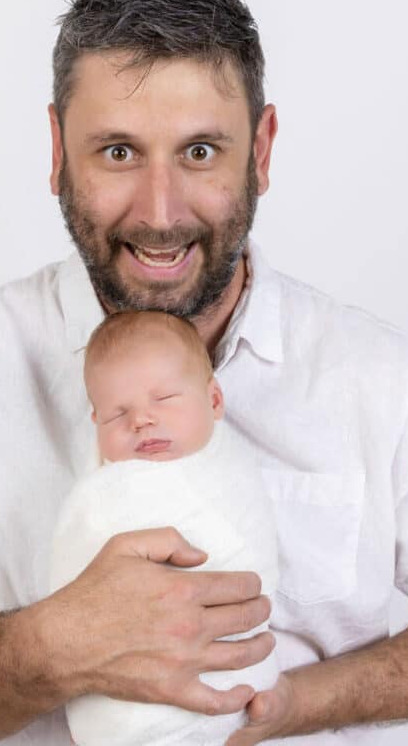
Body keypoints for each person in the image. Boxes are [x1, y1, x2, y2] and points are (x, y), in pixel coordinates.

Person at [0, 0, 408, 746]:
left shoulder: (379, 378)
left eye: (199, 152)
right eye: (117, 151)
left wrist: (295, 704)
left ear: (260, 150)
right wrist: (51, 648)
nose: (160, 214)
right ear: (57, 151)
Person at [49, 310, 279, 746]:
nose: (141, 420)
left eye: (164, 398)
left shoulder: (233, 465)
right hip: (131, 706)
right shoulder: (106, 493)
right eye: (117, 414)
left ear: (214, 401)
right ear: (95, 424)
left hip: (244, 689)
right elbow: (70, 586)